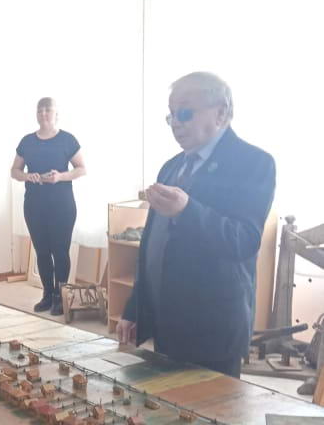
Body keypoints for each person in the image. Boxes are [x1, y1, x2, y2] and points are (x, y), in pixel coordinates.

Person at [117, 72, 275, 378]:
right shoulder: (172, 166)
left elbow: (243, 240)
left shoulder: (253, 163)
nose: (176, 123)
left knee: (211, 409)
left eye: (185, 113)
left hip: (212, 331)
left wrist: (187, 210)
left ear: (221, 113)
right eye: (171, 115)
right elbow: (153, 246)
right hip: (167, 323)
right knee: (163, 404)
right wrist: (135, 308)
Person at [11, 97, 86, 315]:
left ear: (56, 114)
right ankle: (47, 294)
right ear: (36, 114)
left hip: (62, 205)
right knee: (42, 251)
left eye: (48, 110)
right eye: (40, 110)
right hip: (34, 205)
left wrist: (60, 176)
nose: (43, 113)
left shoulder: (67, 140)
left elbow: (81, 168)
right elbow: (14, 171)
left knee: (60, 251)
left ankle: (60, 297)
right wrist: (27, 176)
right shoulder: (27, 142)